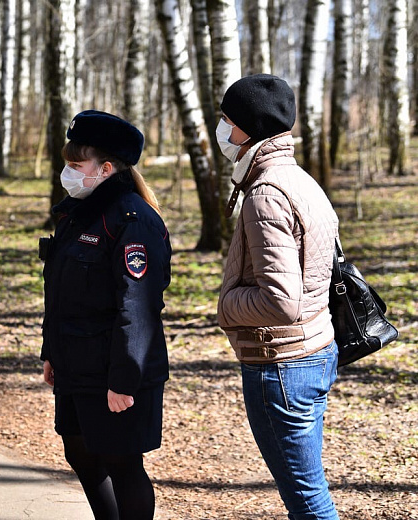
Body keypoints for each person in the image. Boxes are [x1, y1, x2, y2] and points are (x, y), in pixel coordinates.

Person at [216, 74, 340, 519]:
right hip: (314, 352)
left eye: (227, 120)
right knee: (308, 491)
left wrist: (225, 305)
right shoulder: (298, 179)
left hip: (282, 365)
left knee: (308, 501)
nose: (222, 131)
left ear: (247, 128)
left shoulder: (266, 193)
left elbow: (280, 303)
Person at [39, 110, 172, 520]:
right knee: (80, 453)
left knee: (122, 463)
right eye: (67, 164)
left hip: (116, 369)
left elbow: (138, 306)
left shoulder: (133, 220)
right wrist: (50, 352)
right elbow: (58, 294)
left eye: (77, 166)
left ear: (107, 168)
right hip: (75, 363)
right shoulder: (75, 213)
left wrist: (124, 379)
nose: (68, 173)